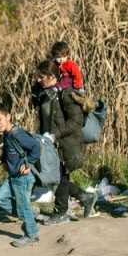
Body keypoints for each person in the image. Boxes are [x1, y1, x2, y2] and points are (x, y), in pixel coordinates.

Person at [30, 61, 95, 223]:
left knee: (60, 177)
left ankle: (61, 212)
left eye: (41, 77)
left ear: (53, 76)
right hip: (50, 143)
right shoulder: (45, 93)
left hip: (66, 143)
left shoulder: (66, 94)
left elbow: (76, 121)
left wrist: (54, 134)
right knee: (54, 177)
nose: (38, 80)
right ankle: (84, 196)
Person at [0, 102, 40, 247]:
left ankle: (32, 235)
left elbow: (36, 146)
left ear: (8, 117)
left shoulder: (17, 133)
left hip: (23, 177)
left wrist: (28, 163)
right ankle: (29, 212)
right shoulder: (6, 134)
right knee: (0, 198)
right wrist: (3, 160)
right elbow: (8, 151)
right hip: (13, 177)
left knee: (23, 209)